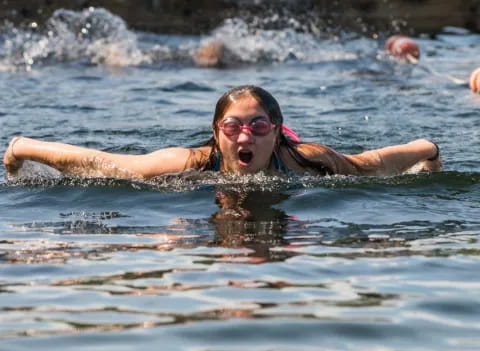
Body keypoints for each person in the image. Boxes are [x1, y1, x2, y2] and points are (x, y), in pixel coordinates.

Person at [3, 85, 442, 179]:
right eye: (233, 127)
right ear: (217, 134)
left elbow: (377, 162)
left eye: (257, 126)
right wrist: (24, 148)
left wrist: (430, 150)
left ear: (275, 133)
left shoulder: (307, 158)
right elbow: (106, 164)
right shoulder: (190, 164)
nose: (244, 136)